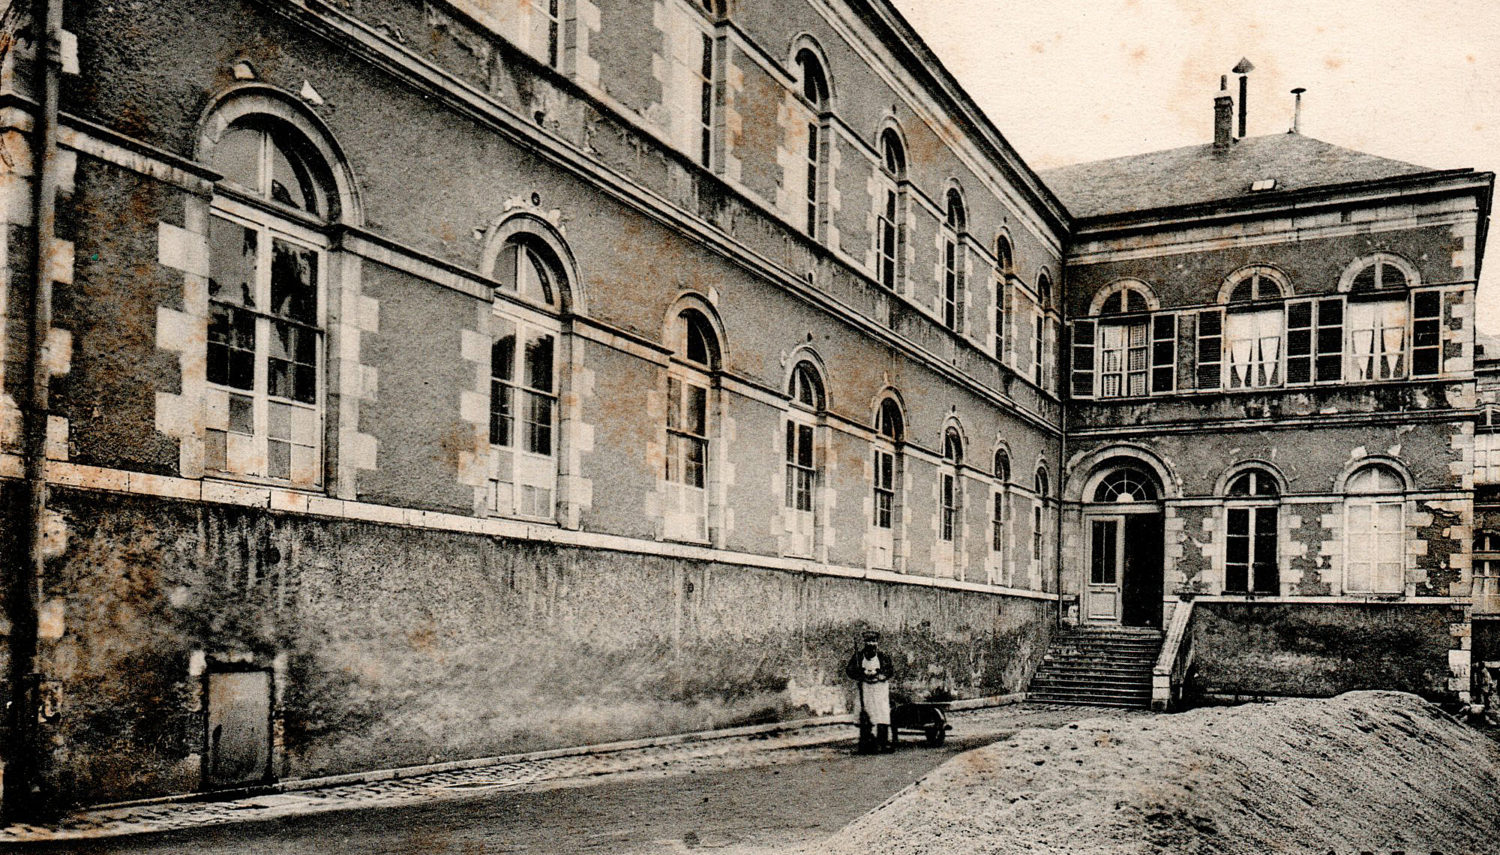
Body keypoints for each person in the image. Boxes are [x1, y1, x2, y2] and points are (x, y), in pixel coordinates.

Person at [844, 631, 895, 753]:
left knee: (882, 714)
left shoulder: (883, 657)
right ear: (865, 643)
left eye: (873, 642)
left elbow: (890, 670)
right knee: (865, 715)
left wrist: (882, 675)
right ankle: (865, 744)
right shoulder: (858, 656)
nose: (871, 644)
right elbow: (850, 670)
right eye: (868, 642)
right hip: (865, 689)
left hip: (879, 690)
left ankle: (883, 744)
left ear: (877, 643)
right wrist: (861, 673)